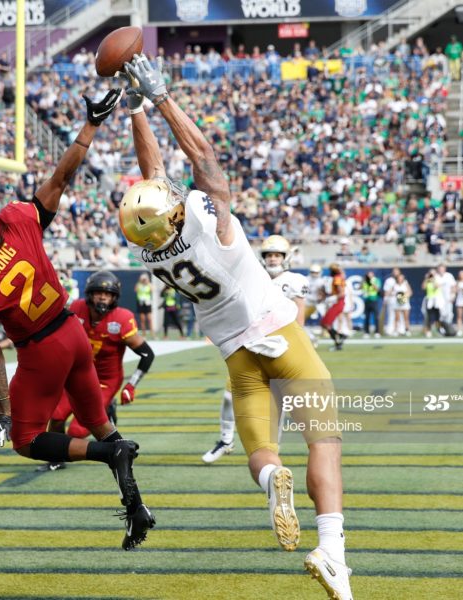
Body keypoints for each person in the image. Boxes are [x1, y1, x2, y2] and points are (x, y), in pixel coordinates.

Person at [120, 54, 352, 598]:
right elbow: (202, 157)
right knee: (324, 441)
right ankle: (333, 550)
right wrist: (159, 98)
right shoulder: (208, 220)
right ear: (176, 211)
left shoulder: (151, 254)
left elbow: (151, 180)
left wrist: (132, 111)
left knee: (261, 453)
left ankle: (274, 483)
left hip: (235, 356)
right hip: (281, 334)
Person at [0, 87, 156, 551]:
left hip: (41, 351)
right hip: (72, 331)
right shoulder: (15, 219)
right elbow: (60, 179)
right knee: (103, 424)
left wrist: (2, 414)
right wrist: (89, 125)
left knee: (28, 441)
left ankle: (107, 452)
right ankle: (136, 510)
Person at [203, 234, 309, 464]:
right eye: (269, 255)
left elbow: (299, 312)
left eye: (276, 255)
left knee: (278, 401)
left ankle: (272, 452)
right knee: (230, 396)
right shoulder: (256, 276)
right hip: (250, 343)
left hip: (281, 345)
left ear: (285, 257)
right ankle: (225, 439)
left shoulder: (293, 280)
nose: (272, 259)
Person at [45, 271, 156, 470]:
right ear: (90, 294)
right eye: (98, 293)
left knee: (77, 431)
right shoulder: (77, 308)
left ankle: (107, 408)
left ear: (114, 298)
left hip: (105, 380)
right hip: (75, 376)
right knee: (56, 417)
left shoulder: (122, 318)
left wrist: (132, 384)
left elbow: (147, 354)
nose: (103, 297)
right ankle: (56, 458)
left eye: (108, 294)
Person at [320, 263, 349, 350]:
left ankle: (339, 340)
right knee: (325, 323)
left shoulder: (337, 278)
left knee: (325, 323)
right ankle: (340, 337)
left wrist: (333, 298)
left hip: (337, 302)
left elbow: (341, 293)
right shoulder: (339, 277)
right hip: (338, 302)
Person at [360, 270, 381, 338]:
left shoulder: (376, 280)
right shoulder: (365, 281)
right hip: (367, 300)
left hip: (374, 300)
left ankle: (377, 332)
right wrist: (363, 281)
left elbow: (378, 289)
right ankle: (366, 332)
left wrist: (372, 283)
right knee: (367, 317)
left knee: (376, 317)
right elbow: (360, 288)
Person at [421, 270, 442, 338]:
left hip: (436, 301)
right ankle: (428, 331)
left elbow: (437, 286)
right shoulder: (427, 281)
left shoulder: (437, 279)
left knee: (437, 317)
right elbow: (423, 287)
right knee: (428, 317)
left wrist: (433, 279)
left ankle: (438, 330)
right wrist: (426, 279)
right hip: (429, 300)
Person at [393, 271, 412, 336]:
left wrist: (403, 297)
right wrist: (398, 297)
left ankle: (407, 330)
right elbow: (392, 293)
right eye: (399, 278)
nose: (400, 279)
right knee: (397, 318)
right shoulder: (395, 285)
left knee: (406, 318)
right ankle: (396, 331)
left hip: (405, 303)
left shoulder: (405, 284)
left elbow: (410, 292)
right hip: (397, 303)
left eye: (402, 278)